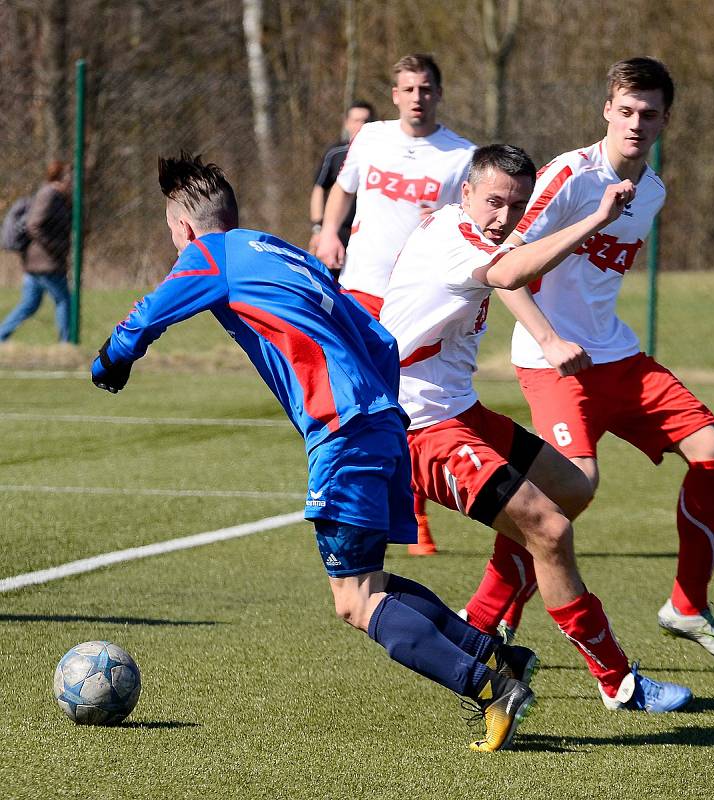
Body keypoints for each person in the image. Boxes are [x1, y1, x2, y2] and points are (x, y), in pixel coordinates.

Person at [90, 151, 541, 753]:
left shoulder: (209, 255)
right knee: (373, 580)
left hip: (343, 431)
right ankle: (499, 657)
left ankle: (488, 688)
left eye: (174, 235)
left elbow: (147, 316)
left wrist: (110, 361)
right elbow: (376, 336)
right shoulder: (287, 253)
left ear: (184, 228)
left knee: (356, 602)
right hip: (383, 422)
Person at [380, 143, 693, 717]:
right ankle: (617, 682)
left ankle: (481, 622)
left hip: (458, 408)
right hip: (418, 424)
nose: (505, 217)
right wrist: (595, 218)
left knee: (571, 489)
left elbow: (507, 267)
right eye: (494, 201)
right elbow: (513, 270)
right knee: (548, 528)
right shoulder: (460, 241)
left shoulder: (459, 225)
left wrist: (548, 333)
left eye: (517, 205)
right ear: (466, 192)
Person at [464, 57, 714, 664]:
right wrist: (548, 340)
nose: (636, 123)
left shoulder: (653, 191)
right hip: (553, 362)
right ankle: (486, 615)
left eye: (649, 113)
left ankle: (687, 605)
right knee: (576, 488)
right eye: (625, 111)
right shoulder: (570, 175)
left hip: (616, 355)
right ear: (606, 111)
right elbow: (502, 269)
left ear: (666, 119)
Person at [316, 53, 476, 556]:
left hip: (416, 299)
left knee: (404, 407)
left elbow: (478, 221)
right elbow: (343, 191)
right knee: (358, 402)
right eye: (408, 89)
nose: (417, 98)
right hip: (360, 286)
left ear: (438, 92)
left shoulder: (460, 155)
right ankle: (350, 505)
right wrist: (326, 235)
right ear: (394, 94)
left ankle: (415, 517)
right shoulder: (372, 138)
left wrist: (448, 214)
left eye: (425, 89)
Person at [0, 160, 72, 343]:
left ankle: (1, 336)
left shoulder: (60, 196)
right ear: (60, 177)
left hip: (38, 262)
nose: (73, 179)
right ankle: (66, 343)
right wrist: (55, 247)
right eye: (69, 175)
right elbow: (33, 225)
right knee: (64, 301)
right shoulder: (48, 195)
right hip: (45, 262)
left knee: (29, 304)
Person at [307, 100, 375, 269]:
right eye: (356, 120)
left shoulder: (383, 153)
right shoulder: (335, 153)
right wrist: (318, 229)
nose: (361, 125)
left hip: (370, 232)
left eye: (365, 121)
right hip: (339, 231)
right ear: (346, 122)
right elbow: (319, 188)